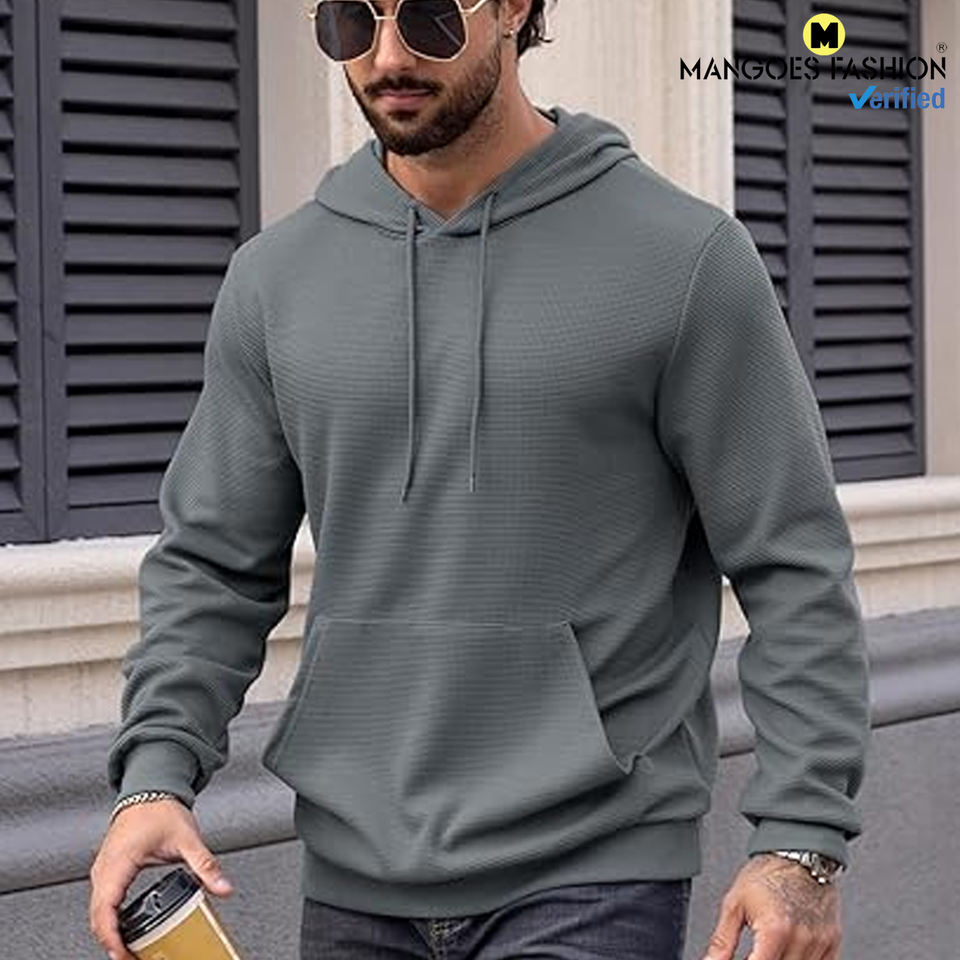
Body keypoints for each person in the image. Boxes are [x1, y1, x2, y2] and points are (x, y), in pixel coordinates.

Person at [88, 2, 871, 959]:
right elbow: (212, 564)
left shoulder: (683, 259)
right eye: (352, 22)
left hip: (594, 865)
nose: (386, 56)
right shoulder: (274, 280)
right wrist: (155, 776)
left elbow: (792, 561)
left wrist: (800, 839)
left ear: (513, 9)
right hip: (353, 870)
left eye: (428, 18)